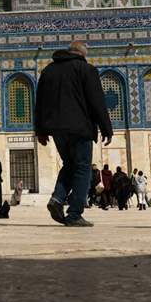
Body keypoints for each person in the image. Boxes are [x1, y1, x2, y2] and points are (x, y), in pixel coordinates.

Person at [35, 39, 111, 227]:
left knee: (69, 165)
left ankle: (57, 198)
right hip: (80, 128)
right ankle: (75, 213)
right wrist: (106, 127)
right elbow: (97, 102)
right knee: (82, 168)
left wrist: (40, 130)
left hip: (57, 129)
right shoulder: (86, 70)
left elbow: (39, 103)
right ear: (83, 54)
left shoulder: (48, 71)